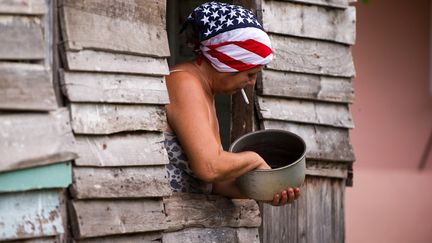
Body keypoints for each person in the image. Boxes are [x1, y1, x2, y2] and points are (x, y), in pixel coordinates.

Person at [164, 1, 300, 206]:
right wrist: (254, 158)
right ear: (228, 62)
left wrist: (267, 189)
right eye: (250, 73)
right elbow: (209, 166)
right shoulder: (183, 82)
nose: (252, 82)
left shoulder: (204, 91)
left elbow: (217, 184)